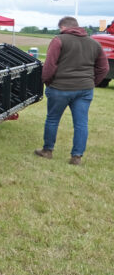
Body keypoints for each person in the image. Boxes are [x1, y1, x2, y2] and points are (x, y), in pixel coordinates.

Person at [34, 16, 109, 165]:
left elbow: (49, 66)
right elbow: (104, 68)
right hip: (85, 89)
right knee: (81, 123)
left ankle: (47, 151)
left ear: (63, 27)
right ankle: (77, 157)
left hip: (60, 87)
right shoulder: (94, 43)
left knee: (53, 119)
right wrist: (92, 83)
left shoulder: (59, 40)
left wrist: (48, 82)